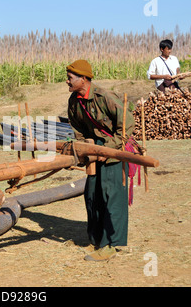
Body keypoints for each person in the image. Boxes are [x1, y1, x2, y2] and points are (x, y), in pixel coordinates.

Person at [66, 59, 135, 261]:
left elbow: (127, 124)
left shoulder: (105, 97)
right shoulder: (74, 101)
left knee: (111, 197)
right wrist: (83, 148)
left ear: (84, 78)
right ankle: (97, 240)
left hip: (114, 151)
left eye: (70, 78)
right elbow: (77, 128)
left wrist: (109, 148)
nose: (67, 82)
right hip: (93, 153)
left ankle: (111, 244)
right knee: (92, 195)